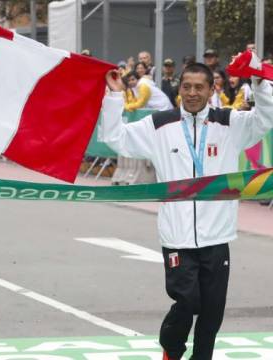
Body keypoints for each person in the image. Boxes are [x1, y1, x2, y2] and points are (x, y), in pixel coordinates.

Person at [100, 62, 273, 360]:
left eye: (199, 87)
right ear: (179, 88)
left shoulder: (230, 123)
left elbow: (265, 119)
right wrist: (115, 97)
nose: (192, 93)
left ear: (211, 89)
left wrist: (259, 82)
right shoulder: (159, 124)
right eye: (186, 87)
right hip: (177, 236)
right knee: (188, 301)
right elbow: (115, 138)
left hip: (217, 237)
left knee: (212, 310)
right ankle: (172, 347)